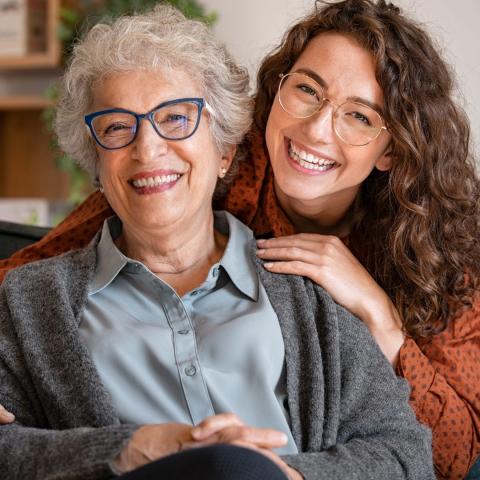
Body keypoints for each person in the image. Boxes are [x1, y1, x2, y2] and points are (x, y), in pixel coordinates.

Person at [0, 0, 477, 477]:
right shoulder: (34, 300)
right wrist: (128, 448)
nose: (149, 150)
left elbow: (425, 453)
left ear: (224, 151)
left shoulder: (344, 294)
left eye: (359, 116)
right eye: (118, 127)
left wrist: (378, 315)